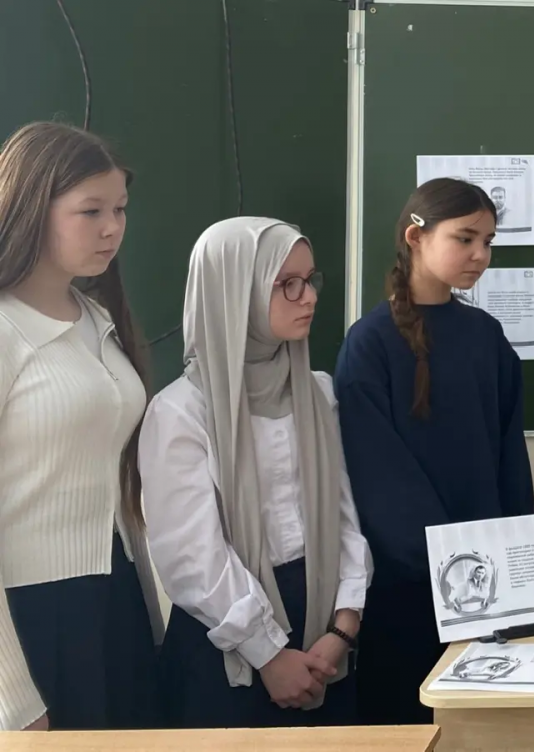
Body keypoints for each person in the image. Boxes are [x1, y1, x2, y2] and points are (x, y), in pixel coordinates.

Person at [140, 218, 369, 727]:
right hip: (228, 643)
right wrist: (269, 655)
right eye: (287, 284)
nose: (309, 296)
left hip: (323, 631)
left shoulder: (317, 391)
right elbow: (191, 557)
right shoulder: (180, 412)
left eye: (310, 280)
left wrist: (343, 626)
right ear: (233, 292)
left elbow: (344, 518)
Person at [336, 177, 534, 725]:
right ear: (415, 236)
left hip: (490, 587)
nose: (481, 255)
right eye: (465, 239)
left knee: (488, 728)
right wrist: (452, 568)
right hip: (407, 589)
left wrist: (517, 560)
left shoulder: (486, 336)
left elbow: (509, 461)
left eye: (488, 242)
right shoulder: (369, 343)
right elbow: (378, 478)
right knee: (408, 722)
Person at [0, 122, 162, 731]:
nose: (112, 227)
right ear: (29, 208)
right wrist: (13, 700)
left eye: (120, 209)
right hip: (31, 611)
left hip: (115, 594)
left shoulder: (97, 317)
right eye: (90, 211)